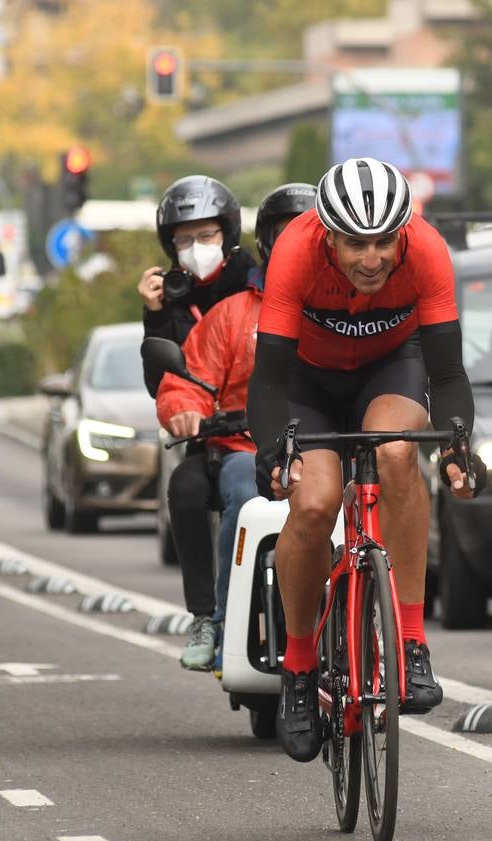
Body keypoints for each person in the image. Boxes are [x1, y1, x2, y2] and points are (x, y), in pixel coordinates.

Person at [247, 158, 485, 762]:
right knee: (315, 502)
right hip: (306, 380)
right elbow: (271, 378)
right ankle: (300, 670)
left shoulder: (426, 250)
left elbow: (449, 372)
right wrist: (273, 451)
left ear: (403, 231)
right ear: (327, 233)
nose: (372, 257)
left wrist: (459, 444)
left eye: (384, 241)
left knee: (398, 452)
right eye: (355, 242)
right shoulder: (295, 254)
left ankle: (409, 643)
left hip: (390, 366)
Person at [156, 183, 318, 672]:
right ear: (266, 243)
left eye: (308, 236)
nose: (295, 246)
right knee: (244, 490)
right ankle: (225, 623)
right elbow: (188, 379)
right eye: (283, 235)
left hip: (330, 448)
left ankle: (383, 628)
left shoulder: (351, 312)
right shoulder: (231, 314)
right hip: (245, 449)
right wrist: (184, 408)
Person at [139, 175, 256, 397]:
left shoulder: (256, 288)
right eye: (184, 240)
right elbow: (159, 387)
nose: (195, 248)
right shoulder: (170, 299)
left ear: (227, 236)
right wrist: (156, 316)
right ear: (172, 247)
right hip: (199, 423)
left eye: (206, 236)